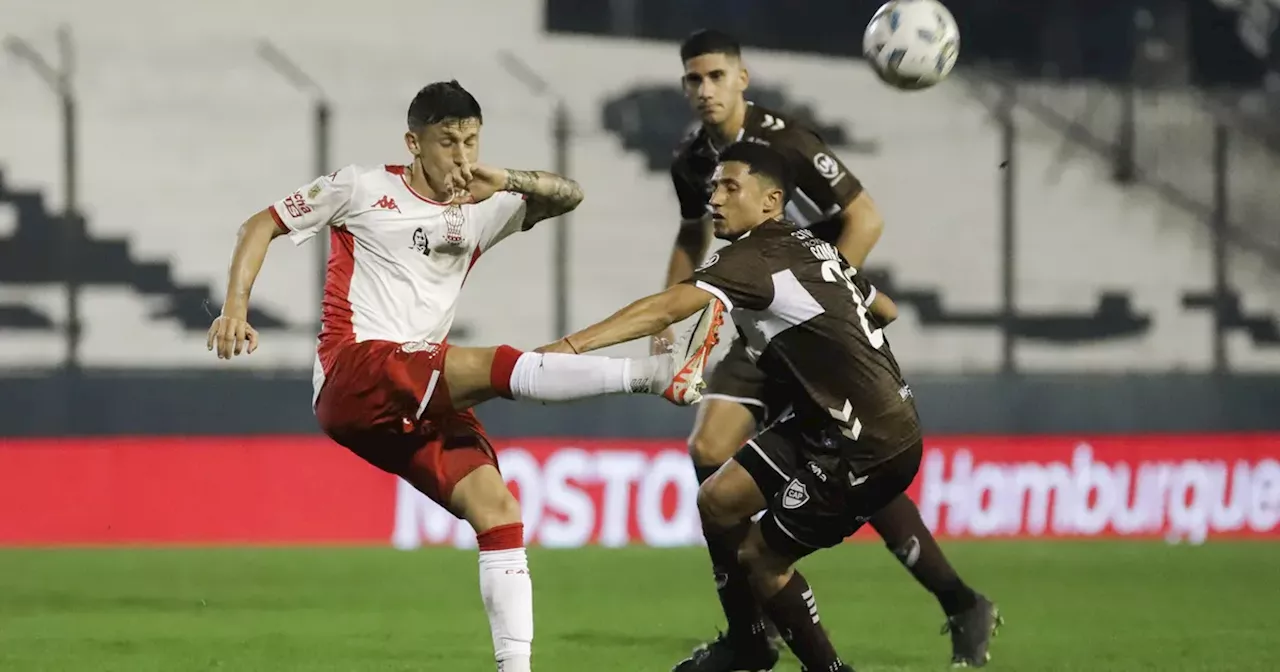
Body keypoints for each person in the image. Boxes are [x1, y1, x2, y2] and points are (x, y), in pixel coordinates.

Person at [205, 80, 719, 672]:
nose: (461, 156)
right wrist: (235, 308)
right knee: (498, 363)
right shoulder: (364, 188)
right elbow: (259, 224)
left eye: (471, 141)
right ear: (414, 143)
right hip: (356, 369)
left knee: (498, 509)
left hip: (411, 392)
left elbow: (568, 195)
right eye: (448, 142)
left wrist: (504, 180)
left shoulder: (479, 208)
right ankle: (656, 374)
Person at [658, 29, 1000, 668]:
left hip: (809, 319)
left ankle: (952, 601)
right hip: (763, 316)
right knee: (714, 449)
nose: (705, 90)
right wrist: (668, 310)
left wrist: (823, 298)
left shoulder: (786, 144)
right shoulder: (691, 160)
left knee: (843, 453)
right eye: (693, 79)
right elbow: (690, 234)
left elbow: (864, 216)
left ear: (742, 78)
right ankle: (754, 628)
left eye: (715, 77)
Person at [542, 141, 932, 672]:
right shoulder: (805, 245)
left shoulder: (755, 257)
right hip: (832, 421)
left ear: (771, 201)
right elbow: (882, 309)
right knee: (720, 500)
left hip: (868, 443)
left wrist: (565, 350)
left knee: (763, 560)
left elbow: (663, 308)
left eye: (730, 187)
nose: (715, 199)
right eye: (714, 188)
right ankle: (748, 647)